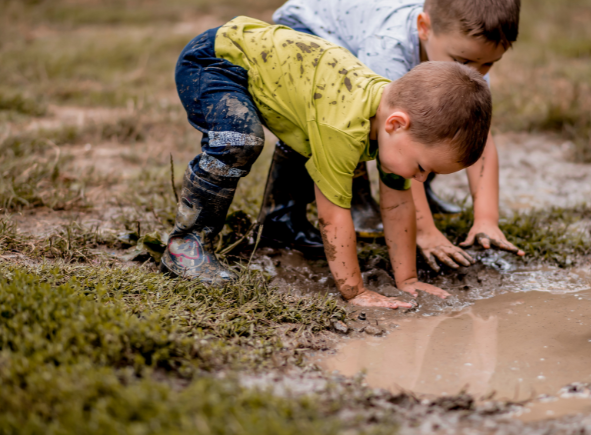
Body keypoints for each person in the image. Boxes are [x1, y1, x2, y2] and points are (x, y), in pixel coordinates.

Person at [162, 16, 493, 308]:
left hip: (270, 73)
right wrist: (355, 291)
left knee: (309, 140)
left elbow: (397, 205)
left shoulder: (392, 124)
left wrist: (406, 281)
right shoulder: (343, 127)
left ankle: (280, 226)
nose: (421, 179)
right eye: (423, 168)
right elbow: (333, 217)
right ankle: (186, 244)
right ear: (395, 124)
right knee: (240, 139)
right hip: (216, 61)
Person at [265, 0, 525, 270]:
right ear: (424, 28)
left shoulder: (464, 54)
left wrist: (486, 219)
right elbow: (400, 136)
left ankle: (422, 196)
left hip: (356, 31)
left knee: (440, 123)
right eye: (464, 62)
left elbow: (478, 137)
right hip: (309, 30)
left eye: (489, 64)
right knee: (349, 121)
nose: (477, 72)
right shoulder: (388, 49)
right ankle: (335, 204)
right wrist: (425, 233)